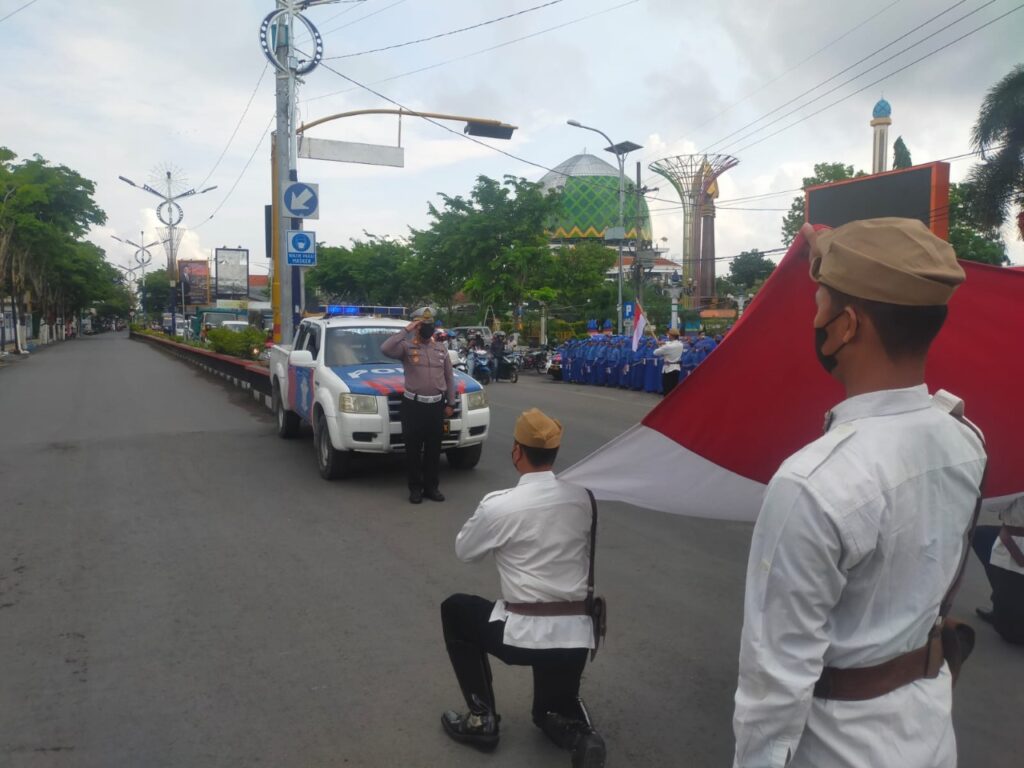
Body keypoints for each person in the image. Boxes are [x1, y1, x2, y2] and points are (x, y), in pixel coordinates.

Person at [732, 218, 987, 768]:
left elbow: (774, 684)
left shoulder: (813, 482)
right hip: (929, 732)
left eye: (820, 304)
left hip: (838, 751)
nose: (814, 316)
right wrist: (825, 251)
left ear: (846, 326)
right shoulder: (966, 438)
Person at [439, 408, 606, 768]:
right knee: (549, 710)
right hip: (576, 636)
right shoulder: (584, 498)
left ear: (517, 452)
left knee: (455, 609)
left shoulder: (500, 506)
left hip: (522, 637)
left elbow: (464, 551)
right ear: (555, 453)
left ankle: (481, 719)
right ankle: (583, 736)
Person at [381, 307, 456, 505]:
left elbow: (449, 377)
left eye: (430, 325)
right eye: (423, 325)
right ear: (417, 326)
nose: (427, 329)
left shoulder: (441, 349)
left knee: (433, 450)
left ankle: (432, 487)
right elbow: (385, 348)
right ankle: (415, 488)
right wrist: (407, 329)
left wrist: (451, 402)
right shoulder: (406, 347)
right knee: (413, 451)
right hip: (413, 406)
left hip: (435, 407)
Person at [972, 499, 1024, 644]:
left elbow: (992, 504)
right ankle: (1001, 596)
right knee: (982, 535)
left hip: (1017, 546)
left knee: (1009, 631)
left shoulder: (1018, 480)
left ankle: (1003, 599)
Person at [653, 328, 684, 396]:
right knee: (674, 390)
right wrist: (663, 343)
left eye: (669, 335)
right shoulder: (680, 344)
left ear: (672, 336)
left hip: (668, 370)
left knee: (667, 390)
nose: (668, 336)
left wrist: (660, 346)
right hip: (676, 368)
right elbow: (670, 343)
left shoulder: (668, 347)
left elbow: (655, 352)